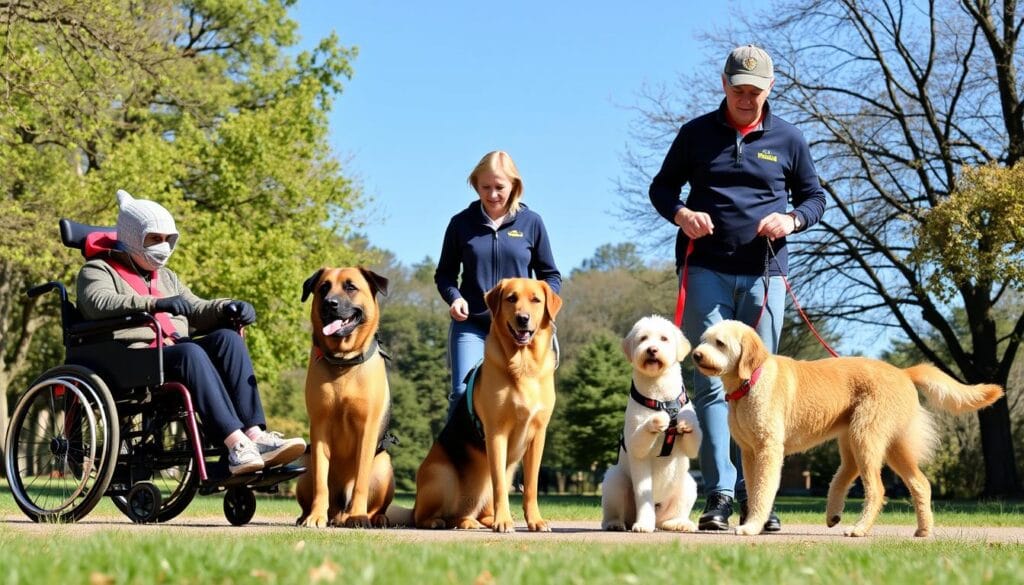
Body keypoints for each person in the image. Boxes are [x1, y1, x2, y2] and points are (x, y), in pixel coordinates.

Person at [648, 45, 826, 531]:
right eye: (739, 90)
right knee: (708, 378)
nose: (747, 99)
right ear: (724, 85)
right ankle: (720, 494)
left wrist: (791, 220)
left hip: (765, 273)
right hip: (705, 266)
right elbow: (661, 189)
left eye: (756, 91)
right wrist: (682, 214)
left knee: (761, 386)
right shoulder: (695, 134)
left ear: (770, 89)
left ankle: (758, 500)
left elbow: (815, 199)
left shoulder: (788, 138)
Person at [76, 189, 306, 476]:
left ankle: (255, 435)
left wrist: (228, 307)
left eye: (167, 239)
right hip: (128, 358)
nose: (163, 246)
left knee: (228, 339)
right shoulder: (97, 270)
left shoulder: (168, 278)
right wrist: (154, 303)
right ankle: (236, 446)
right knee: (190, 351)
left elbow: (195, 308)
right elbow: (99, 303)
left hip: (170, 351)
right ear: (133, 237)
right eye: (154, 239)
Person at [434, 151, 562, 418]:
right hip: (473, 324)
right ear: (475, 185)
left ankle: (508, 458)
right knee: (462, 392)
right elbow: (445, 274)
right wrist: (454, 297)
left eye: (500, 187)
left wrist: (542, 309)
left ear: (514, 186)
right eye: (485, 187)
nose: (492, 195)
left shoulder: (532, 223)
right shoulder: (460, 224)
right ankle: (462, 459)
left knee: (522, 397)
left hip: (520, 329)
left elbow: (550, 275)